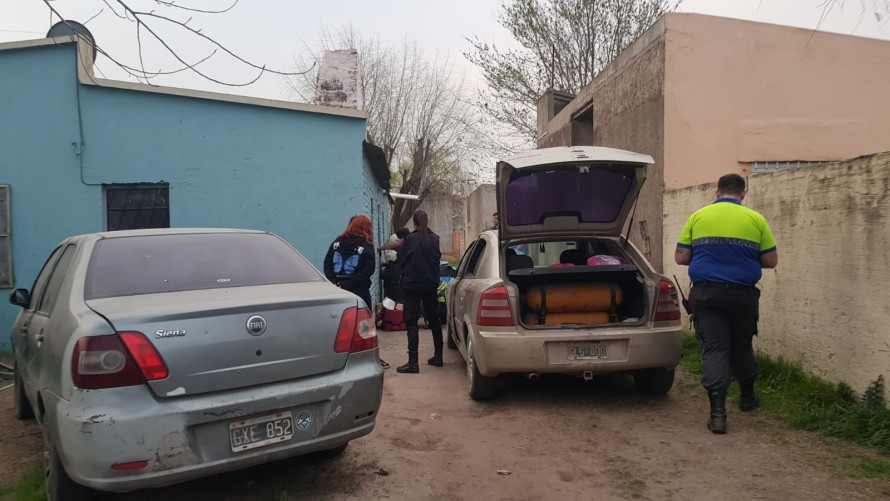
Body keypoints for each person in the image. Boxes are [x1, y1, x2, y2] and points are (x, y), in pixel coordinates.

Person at [675, 173, 778, 434]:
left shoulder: (698, 216)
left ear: (717, 192)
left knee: (715, 349)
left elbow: (681, 257)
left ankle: (718, 414)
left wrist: (708, 255)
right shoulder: (756, 219)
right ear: (743, 194)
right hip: (743, 295)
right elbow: (771, 261)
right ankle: (746, 398)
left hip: (707, 295)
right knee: (742, 344)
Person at [323, 215, 390, 369]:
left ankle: (338, 361)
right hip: (358, 291)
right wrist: (349, 283)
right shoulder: (365, 244)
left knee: (340, 327)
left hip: (338, 291)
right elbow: (368, 269)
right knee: (365, 327)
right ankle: (370, 359)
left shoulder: (337, 242)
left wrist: (336, 282)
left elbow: (327, 263)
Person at [395, 209, 445, 373]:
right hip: (430, 285)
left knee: (411, 322)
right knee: (434, 320)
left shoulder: (410, 239)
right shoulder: (435, 239)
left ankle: (413, 362)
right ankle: (438, 357)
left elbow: (401, 262)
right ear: (427, 221)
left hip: (412, 286)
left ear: (414, 222)